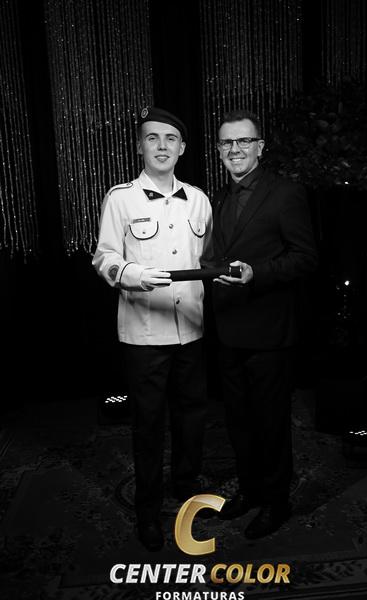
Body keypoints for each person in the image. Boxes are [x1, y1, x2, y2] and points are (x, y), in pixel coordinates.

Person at [92, 107, 212, 552]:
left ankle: (185, 489)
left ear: (182, 148)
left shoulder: (199, 200)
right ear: (140, 146)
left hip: (192, 330)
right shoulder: (120, 198)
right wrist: (133, 274)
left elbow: (208, 259)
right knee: (148, 426)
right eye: (152, 138)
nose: (162, 146)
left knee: (192, 419)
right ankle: (147, 511)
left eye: (170, 139)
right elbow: (104, 257)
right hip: (144, 336)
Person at [211, 109, 317, 539]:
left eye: (243, 141)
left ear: (260, 147)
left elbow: (306, 258)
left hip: (269, 332)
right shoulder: (218, 197)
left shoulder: (285, 193)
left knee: (270, 423)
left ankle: (276, 502)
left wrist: (258, 273)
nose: (235, 149)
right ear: (219, 150)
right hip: (227, 329)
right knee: (238, 421)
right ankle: (251, 490)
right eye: (227, 142)